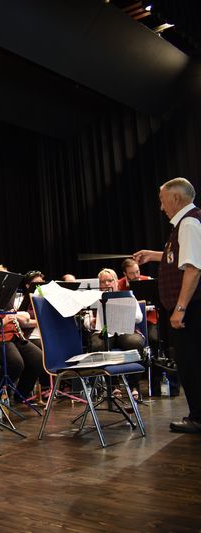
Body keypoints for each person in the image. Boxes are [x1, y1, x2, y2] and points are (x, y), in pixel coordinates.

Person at [134, 177, 201, 433]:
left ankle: (198, 418)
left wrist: (180, 308)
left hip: (191, 308)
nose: (161, 207)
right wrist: (154, 255)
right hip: (190, 308)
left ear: (175, 198)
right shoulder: (187, 223)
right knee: (190, 361)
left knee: (191, 362)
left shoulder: (189, 223)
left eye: (163, 200)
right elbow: (183, 256)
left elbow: (193, 267)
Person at [0, 265, 44, 403]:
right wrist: (4, 321)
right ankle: (2, 396)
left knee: (38, 358)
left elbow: (21, 319)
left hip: (11, 336)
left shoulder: (7, 300)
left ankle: (21, 395)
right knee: (15, 362)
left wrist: (19, 316)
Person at [84, 268, 145, 395]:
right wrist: (92, 322)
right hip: (104, 331)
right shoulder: (94, 298)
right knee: (98, 345)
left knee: (135, 342)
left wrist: (126, 314)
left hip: (125, 330)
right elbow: (86, 320)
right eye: (103, 282)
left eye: (110, 280)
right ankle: (112, 385)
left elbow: (139, 317)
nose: (106, 284)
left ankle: (134, 386)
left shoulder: (128, 295)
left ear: (116, 282)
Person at [117, 257, 159, 348]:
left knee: (154, 337)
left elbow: (155, 302)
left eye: (137, 271)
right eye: (132, 273)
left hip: (149, 318)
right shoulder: (118, 285)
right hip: (128, 321)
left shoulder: (148, 280)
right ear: (125, 274)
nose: (136, 275)